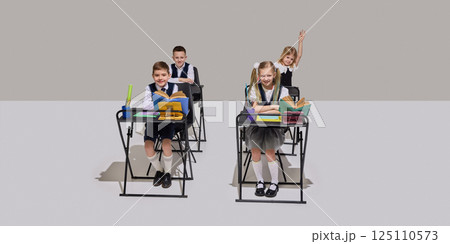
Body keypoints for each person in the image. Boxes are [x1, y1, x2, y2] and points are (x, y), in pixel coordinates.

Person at [246, 61, 290, 197]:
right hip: (256, 127)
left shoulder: (283, 90)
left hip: (275, 128)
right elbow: (254, 110)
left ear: (274, 74)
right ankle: (260, 181)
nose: (266, 79)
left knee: (270, 151)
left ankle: (274, 182)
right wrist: (274, 107)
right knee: (255, 150)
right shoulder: (254, 88)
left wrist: (263, 109)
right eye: (263, 76)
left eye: (269, 75)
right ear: (259, 75)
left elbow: (282, 111)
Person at [142, 61, 178, 188]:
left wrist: (157, 105)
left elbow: (175, 105)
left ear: (169, 75)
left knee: (166, 144)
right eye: (157, 75)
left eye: (163, 75)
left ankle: (167, 173)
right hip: (152, 122)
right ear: (153, 76)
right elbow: (146, 106)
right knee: (148, 146)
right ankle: (159, 170)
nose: (160, 78)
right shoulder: (149, 88)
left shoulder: (174, 88)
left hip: (168, 122)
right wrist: (164, 105)